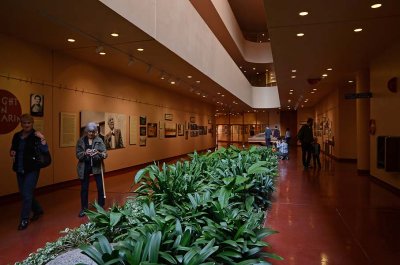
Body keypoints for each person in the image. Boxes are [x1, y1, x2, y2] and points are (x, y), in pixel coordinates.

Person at [10, 114, 48, 230]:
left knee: (26, 194)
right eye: (24, 123)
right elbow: (13, 148)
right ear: (21, 124)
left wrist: (42, 138)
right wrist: (12, 152)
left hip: (32, 169)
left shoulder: (36, 135)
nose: (26, 125)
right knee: (24, 193)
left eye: (29, 123)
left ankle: (24, 219)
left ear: (32, 123)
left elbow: (45, 150)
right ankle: (37, 209)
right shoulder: (17, 136)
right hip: (19, 168)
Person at [76, 122, 107, 217]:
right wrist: (85, 153)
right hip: (84, 166)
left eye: (93, 132)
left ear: (95, 132)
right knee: (84, 188)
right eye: (89, 131)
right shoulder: (81, 141)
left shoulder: (99, 140)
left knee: (100, 186)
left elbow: (105, 154)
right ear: (86, 131)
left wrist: (98, 152)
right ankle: (84, 209)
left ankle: (101, 206)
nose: (91, 134)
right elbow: (78, 154)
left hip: (96, 166)